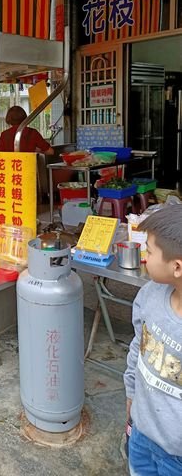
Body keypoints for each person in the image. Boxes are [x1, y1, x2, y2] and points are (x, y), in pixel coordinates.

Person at [124, 204, 182, 476]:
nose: (144, 258)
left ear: (177, 266)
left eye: (149, 250)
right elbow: (138, 346)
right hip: (142, 436)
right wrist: (130, 396)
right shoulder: (149, 295)